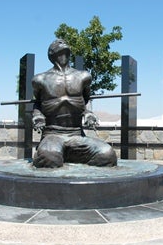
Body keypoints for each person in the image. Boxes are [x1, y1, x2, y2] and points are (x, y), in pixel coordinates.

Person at [31, 39, 117, 168]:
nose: (61, 41)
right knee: (49, 157)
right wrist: (37, 116)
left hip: (76, 134)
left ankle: (81, 173)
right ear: (50, 53)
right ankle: (53, 155)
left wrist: (88, 114)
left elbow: (84, 101)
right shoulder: (40, 79)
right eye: (57, 43)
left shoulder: (83, 76)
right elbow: (37, 103)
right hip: (52, 133)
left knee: (107, 154)